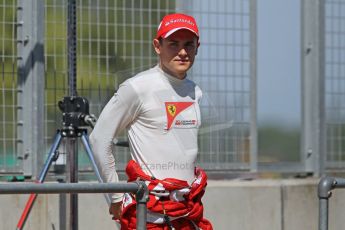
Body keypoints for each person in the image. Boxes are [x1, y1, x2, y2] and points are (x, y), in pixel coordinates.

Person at [89, 13, 213, 230]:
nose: (182, 52)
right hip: (148, 216)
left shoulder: (195, 92)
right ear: (158, 46)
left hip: (187, 213)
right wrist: (116, 196)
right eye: (173, 44)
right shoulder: (136, 87)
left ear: (197, 47)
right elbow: (99, 140)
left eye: (188, 45)